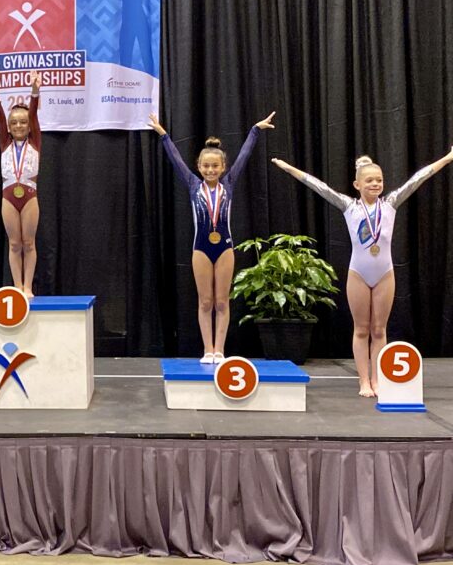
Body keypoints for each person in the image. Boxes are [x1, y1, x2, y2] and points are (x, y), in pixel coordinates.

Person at [272, 147, 453, 396]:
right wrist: (288, 168)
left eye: (379, 180)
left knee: (379, 330)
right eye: (369, 180)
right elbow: (318, 186)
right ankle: (363, 381)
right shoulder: (349, 206)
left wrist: (447, 158)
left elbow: (417, 179)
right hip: (358, 273)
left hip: (385, 274)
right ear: (357, 184)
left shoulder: (391, 203)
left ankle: (377, 380)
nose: (375, 184)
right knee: (361, 329)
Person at [148, 111, 276, 363]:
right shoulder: (193, 185)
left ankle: (220, 349)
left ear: (223, 167)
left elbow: (244, 156)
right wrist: (163, 135)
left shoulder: (229, 183)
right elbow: (175, 160)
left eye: (215, 166)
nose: (210, 170)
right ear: (198, 167)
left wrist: (255, 130)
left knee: (221, 301)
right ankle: (208, 349)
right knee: (205, 302)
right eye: (205, 166)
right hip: (201, 249)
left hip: (225, 248)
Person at [0, 70, 42, 297]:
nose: (19, 125)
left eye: (23, 122)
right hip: (8, 196)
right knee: (14, 244)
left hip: (29, 196)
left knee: (29, 243)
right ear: (8, 128)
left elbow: (35, 116)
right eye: (14, 123)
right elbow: (0, 116)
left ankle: (28, 286)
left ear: (29, 126)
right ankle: (17, 285)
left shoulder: (35, 141)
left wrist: (35, 91)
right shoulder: (4, 142)